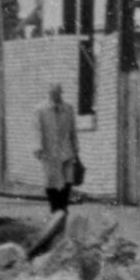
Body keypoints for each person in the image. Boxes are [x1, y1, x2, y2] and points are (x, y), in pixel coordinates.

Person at [36, 82, 81, 214]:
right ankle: (54, 207)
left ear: (61, 93)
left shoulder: (68, 109)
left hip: (66, 148)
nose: (55, 96)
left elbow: (73, 130)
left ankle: (63, 206)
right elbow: (36, 129)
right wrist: (38, 147)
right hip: (48, 149)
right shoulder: (41, 109)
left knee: (68, 178)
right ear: (49, 94)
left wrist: (76, 147)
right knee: (50, 179)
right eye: (52, 93)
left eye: (57, 93)